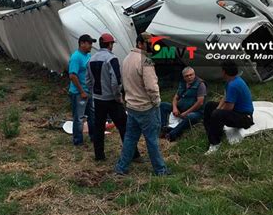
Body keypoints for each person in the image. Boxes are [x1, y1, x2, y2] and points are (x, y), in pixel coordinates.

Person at [115, 32, 169, 176]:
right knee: (152, 140)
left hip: (131, 106)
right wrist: (157, 102)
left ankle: (121, 167)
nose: (152, 45)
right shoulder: (146, 61)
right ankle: (160, 170)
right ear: (140, 43)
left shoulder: (127, 59)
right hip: (146, 108)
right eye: (149, 43)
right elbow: (151, 86)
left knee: (130, 138)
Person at [86, 33, 140, 161]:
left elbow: (88, 81)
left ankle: (99, 156)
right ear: (110, 44)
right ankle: (133, 154)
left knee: (99, 128)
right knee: (124, 127)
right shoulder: (111, 59)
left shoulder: (91, 59)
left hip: (98, 99)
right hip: (111, 99)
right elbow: (115, 81)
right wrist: (118, 96)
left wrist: (93, 94)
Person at [203, 61, 254, 155]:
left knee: (217, 114)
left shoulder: (233, 85)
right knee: (209, 106)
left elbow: (229, 108)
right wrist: (217, 108)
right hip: (238, 112)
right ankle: (211, 131)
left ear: (224, 72)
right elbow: (225, 97)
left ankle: (215, 143)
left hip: (245, 118)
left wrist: (217, 112)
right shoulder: (231, 80)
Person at [160, 66, 206, 141]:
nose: (189, 77)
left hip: (195, 111)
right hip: (180, 109)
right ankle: (163, 129)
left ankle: (172, 134)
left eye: (191, 75)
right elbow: (175, 98)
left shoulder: (200, 84)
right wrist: (175, 108)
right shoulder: (183, 83)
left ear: (194, 74)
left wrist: (186, 113)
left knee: (190, 116)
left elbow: (200, 103)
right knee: (163, 105)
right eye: (187, 76)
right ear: (184, 77)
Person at [68, 34, 96, 146]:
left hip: (88, 91)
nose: (91, 46)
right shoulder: (76, 57)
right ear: (82, 43)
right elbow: (72, 76)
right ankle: (78, 140)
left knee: (92, 115)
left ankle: (94, 136)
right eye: (89, 43)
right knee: (79, 118)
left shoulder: (88, 55)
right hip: (79, 93)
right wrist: (82, 91)